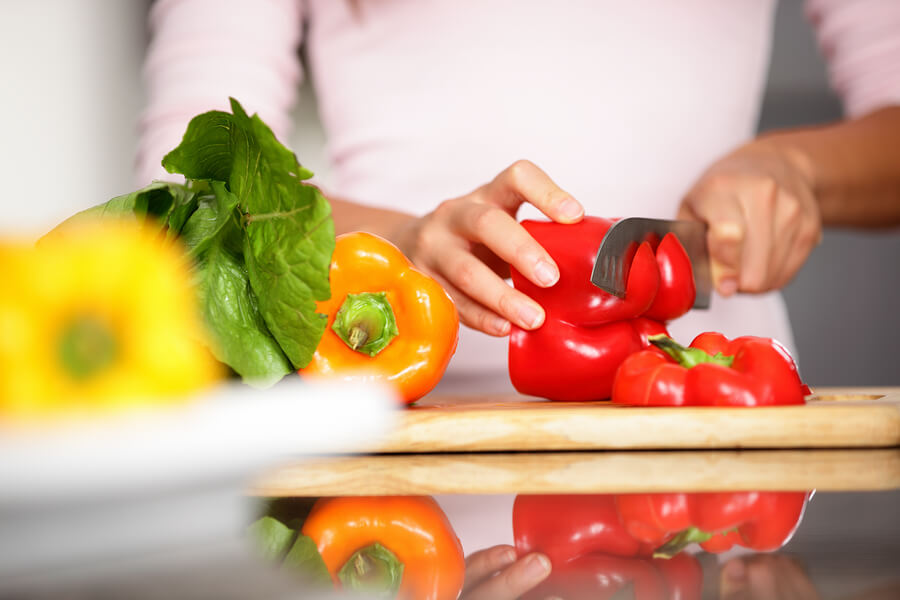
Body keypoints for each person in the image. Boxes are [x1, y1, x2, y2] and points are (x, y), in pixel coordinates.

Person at [137, 1, 900, 596]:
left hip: (716, 447)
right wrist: (402, 237)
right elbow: (185, 183)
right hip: (386, 449)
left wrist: (798, 166)